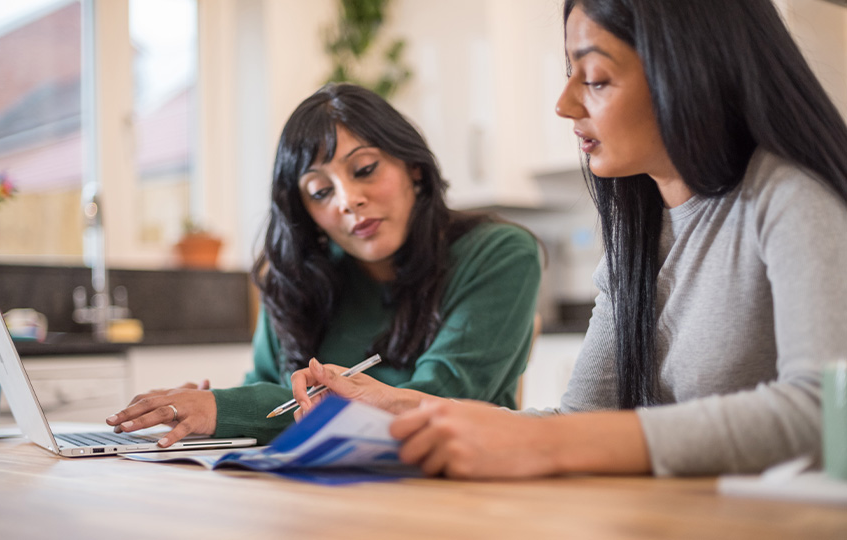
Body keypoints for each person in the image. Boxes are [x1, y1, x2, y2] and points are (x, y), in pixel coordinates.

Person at [292, 0, 847, 478]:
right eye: (568, 72)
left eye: (596, 78)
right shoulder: (637, 236)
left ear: (689, 71)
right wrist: (399, 407)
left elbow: (825, 411)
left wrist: (553, 444)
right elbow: (582, 423)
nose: (564, 104)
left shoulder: (791, 196)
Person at [105, 83, 542, 446]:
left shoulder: (500, 254)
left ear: (414, 167)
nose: (348, 200)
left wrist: (231, 409)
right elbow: (268, 389)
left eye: (365, 169)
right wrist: (219, 408)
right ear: (305, 212)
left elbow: (436, 405)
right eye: (319, 191)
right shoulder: (295, 278)